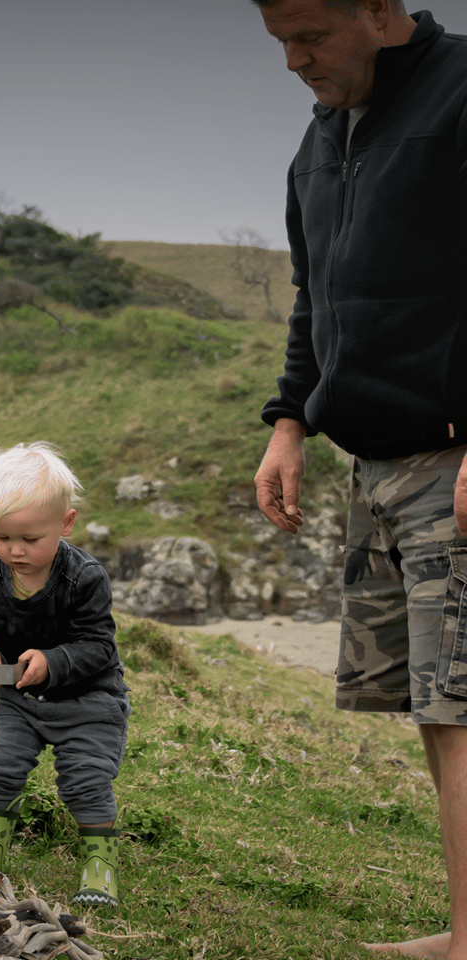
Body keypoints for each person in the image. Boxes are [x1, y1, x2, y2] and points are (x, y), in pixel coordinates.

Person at [250, 0, 467, 956]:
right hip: (372, 466)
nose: (294, 61)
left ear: (379, 11)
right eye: (279, 41)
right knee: (438, 705)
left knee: (463, 708)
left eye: (310, 36)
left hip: (451, 458)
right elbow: (317, 294)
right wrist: (289, 421)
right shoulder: (322, 136)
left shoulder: (460, 93)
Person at [0, 443, 127, 908]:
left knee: (85, 778)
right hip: (15, 696)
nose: (15, 550)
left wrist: (53, 662)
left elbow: (100, 647)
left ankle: (100, 864)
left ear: (65, 524)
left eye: (31, 539)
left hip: (88, 699)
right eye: (2, 536)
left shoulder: (85, 579)